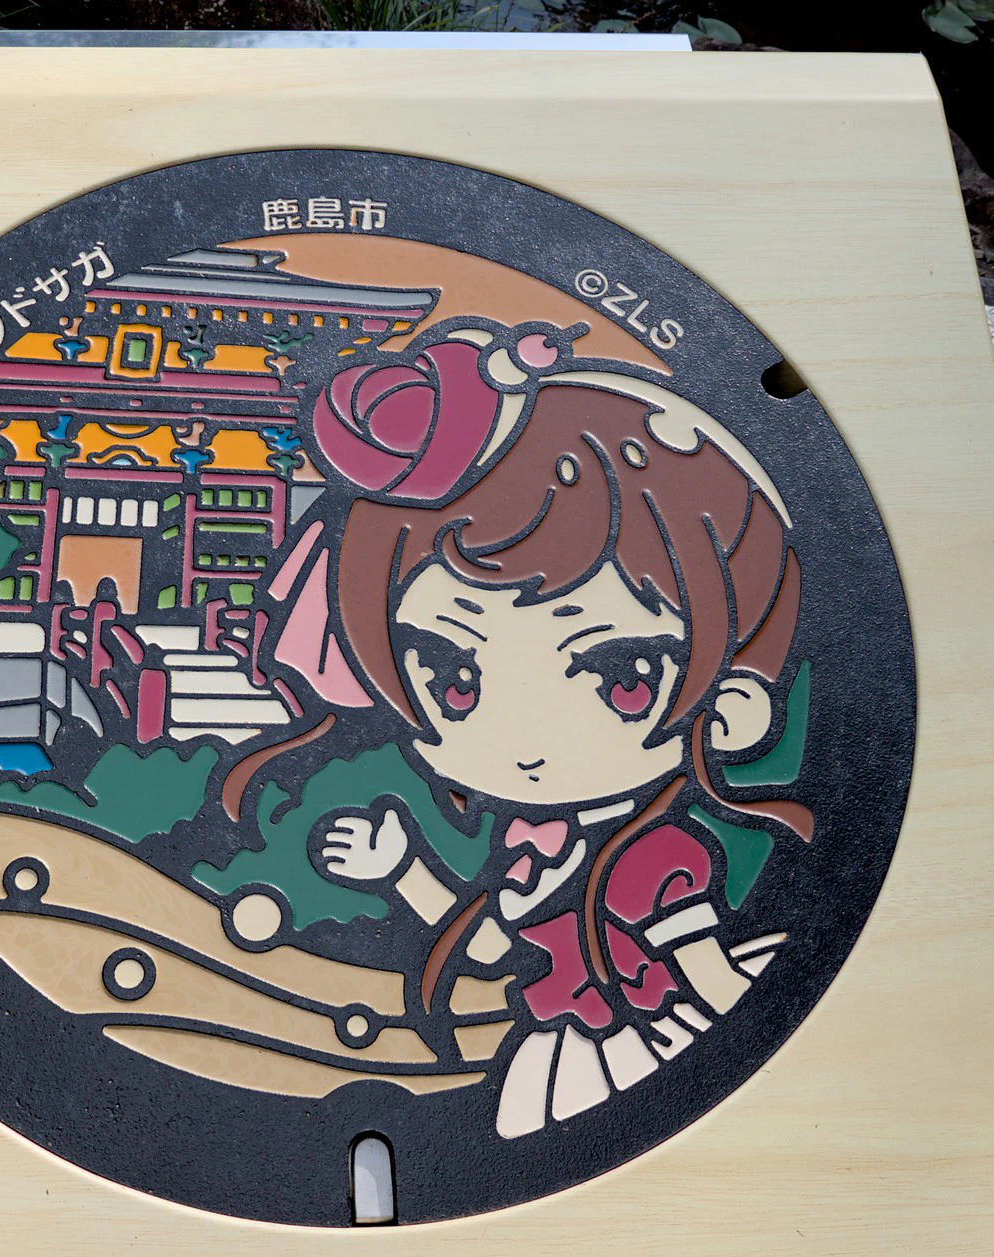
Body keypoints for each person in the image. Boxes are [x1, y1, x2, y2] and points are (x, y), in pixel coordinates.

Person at [285, 320, 812, 1136]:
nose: (524, 740)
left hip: (643, 1046)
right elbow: (492, 948)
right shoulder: (534, 844)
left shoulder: (658, 857)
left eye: (620, 674)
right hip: (568, 1049)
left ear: (731, 706)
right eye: (454, 677)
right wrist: (403, 868)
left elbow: (716, 988)